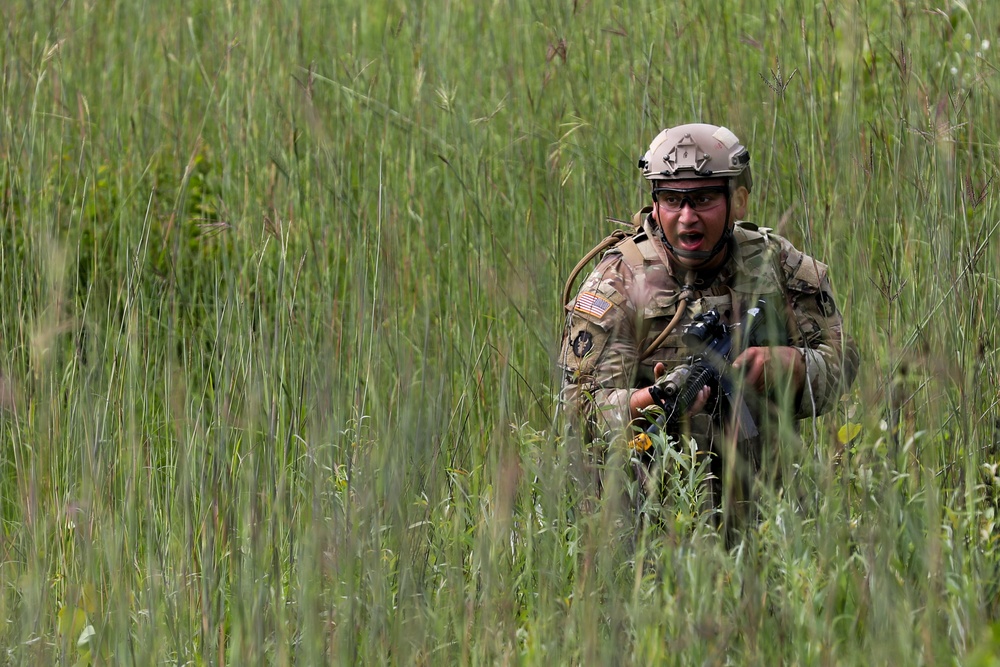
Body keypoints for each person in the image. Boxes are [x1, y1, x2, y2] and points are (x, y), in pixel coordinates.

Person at [558, 123, 859, 529]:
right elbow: (577, 411)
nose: (686, 218)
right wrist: (650, 400)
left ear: (737, 200)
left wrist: (792, 366)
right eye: (671, 200)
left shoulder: (774, 265)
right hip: (653, 520)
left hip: (765, 513)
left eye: (702, 199)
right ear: (655, 203)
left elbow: (843, 360)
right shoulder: (619, 283)